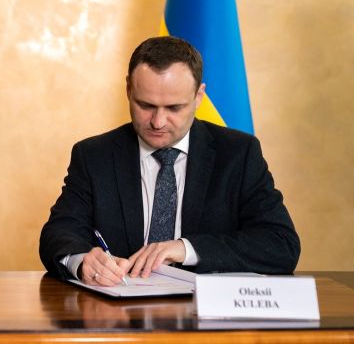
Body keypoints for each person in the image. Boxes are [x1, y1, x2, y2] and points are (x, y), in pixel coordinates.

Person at [39, 36, 300, 286]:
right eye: (146, 105)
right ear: (128, 89)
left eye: (174, 108)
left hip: (206, 312)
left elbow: (281, 244)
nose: (158, 122)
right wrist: (82, 261)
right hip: (118, 310)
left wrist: (185, 248)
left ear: (198, 97)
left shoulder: (238, 154)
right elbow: (58, 234)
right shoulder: (94, 155)